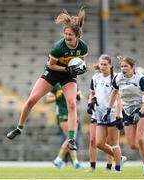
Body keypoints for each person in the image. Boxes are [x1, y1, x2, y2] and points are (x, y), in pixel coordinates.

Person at [6, 7, 88, 151]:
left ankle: (71, 139)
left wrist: (81, 69)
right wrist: (67, 69)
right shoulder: (57, 47)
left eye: (70, 35)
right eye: (66, 33)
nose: (67, 36)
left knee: (72, 105)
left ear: (77, 36)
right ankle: (19, 128)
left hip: (68, 76)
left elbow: (82, 62)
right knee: (31, 100)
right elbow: (52, 66)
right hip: (53, 72)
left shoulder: (82, 47)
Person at [103, 56, 144, 175]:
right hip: (127, 111)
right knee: (134, 145)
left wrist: (140, 113)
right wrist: (109, 109)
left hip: (142, 109)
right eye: (122, 66)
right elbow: (114, 93)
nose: (123, 68)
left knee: (140, 139)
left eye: (126, 66)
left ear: (132, 68)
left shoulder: (140, 79)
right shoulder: (118, 78)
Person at [87, 54, 126, 172]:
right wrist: (90, 103)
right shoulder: (95, 77)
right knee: (98, 143)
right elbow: (93, 93)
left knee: (113, 142)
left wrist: (119, 115)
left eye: (105, 64)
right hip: (100, 114)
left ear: (110, 66)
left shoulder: (115, 78)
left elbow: (119, 98)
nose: (102, 66)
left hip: (113, 113)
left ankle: (117, 169)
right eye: (101, 64)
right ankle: (120, 158)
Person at [45, 83, 83, 169]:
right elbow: (47, 99)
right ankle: (73, 162)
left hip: (73, 115)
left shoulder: (73, 83)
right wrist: (57, 96)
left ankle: (60, 160)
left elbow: (80, 97)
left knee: (71, 139)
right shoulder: (56, 85)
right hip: (62, 114)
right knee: (71, 138)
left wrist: (77, 96)